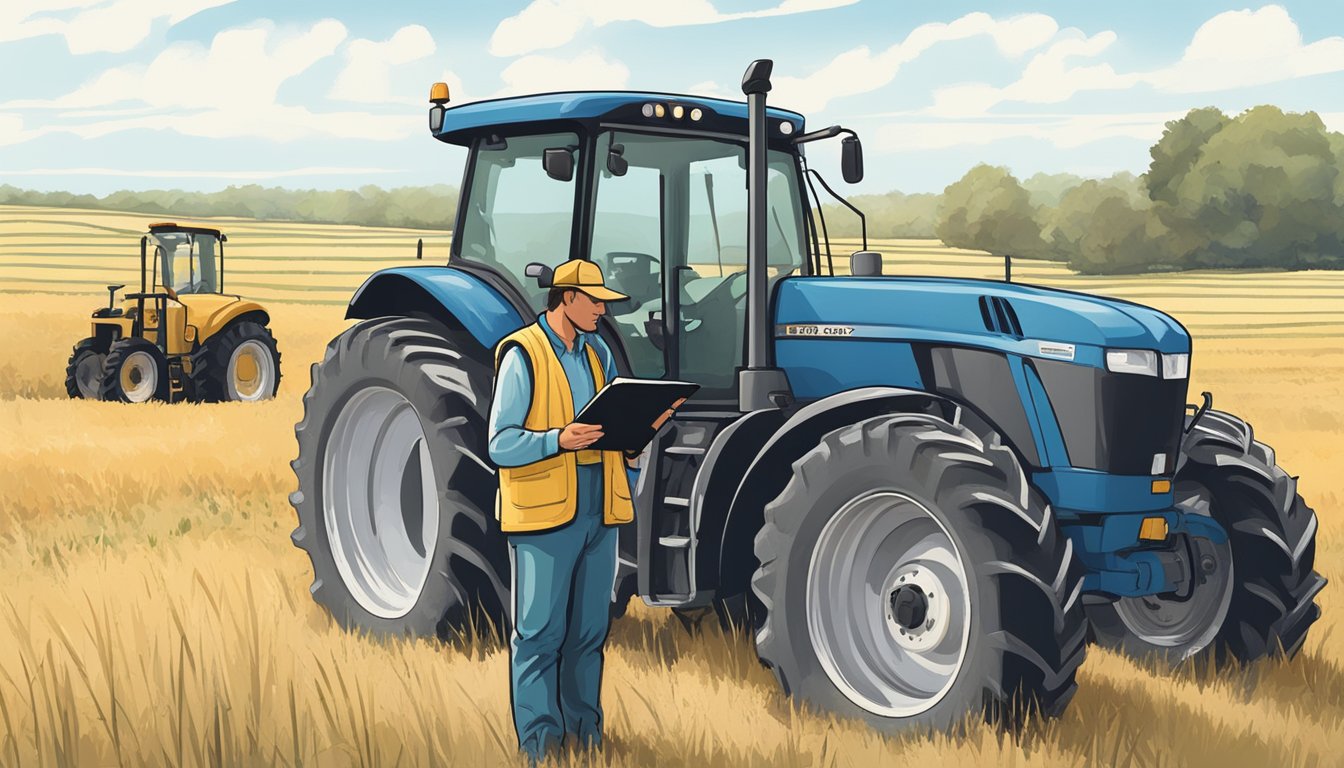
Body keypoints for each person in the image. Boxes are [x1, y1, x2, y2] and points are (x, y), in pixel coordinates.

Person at [488, 258, 674, 762]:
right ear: (565, 299)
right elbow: (501, 444)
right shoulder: (522, 356)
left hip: (598, 517)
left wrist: (634, 447)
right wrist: (558, 440)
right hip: (546, 520)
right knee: (539, 635)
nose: (601, 311)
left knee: (589, 634)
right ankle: (540, 747)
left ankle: (587, 740)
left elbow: (613, 432)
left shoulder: (598, 356)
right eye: (593, 301)